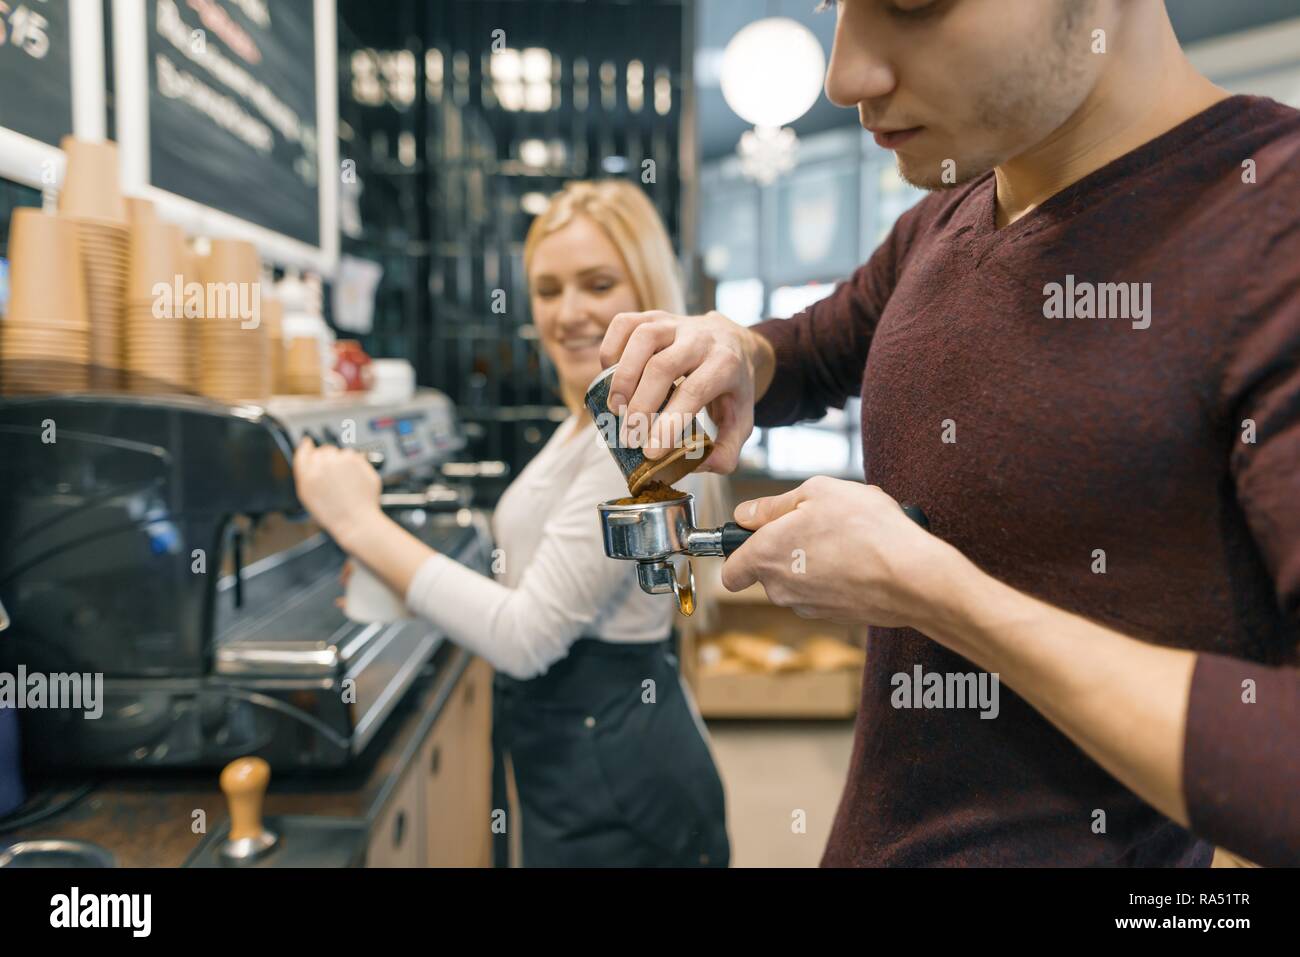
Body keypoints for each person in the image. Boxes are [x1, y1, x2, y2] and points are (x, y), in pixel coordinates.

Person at [598, 0, 1299, 867]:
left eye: (914, 3)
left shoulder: (1274, 227)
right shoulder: (953, 209)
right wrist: (735, 348)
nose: (844, 75)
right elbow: (818, 347)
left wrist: (935, 593)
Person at [294, 180, 730, 867]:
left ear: (647, 287)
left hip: (620, 782)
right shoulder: (588, 422)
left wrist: (359, 523)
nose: (570, 312)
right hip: (585, 753)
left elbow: (527, 637)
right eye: (548, 290)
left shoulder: (645, 434)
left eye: (597, 283)